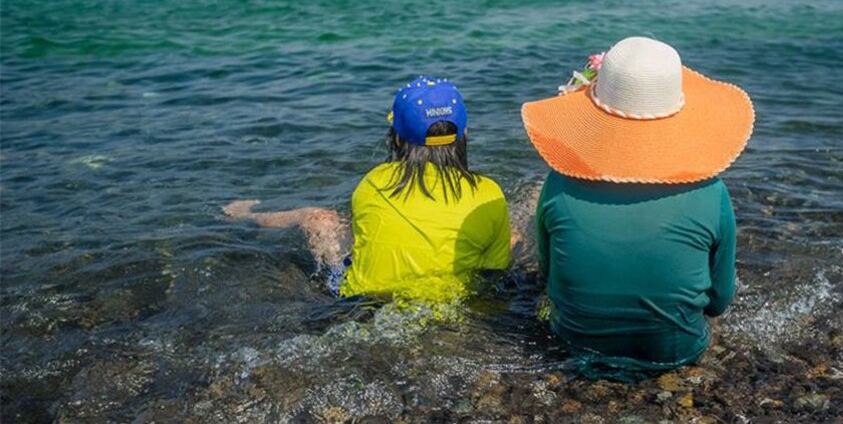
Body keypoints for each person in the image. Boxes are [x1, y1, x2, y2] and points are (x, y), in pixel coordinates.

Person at [521, 37, 754, 376]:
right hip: (677, 353)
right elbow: (718, 303)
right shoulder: (712, 192)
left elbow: (548, 278)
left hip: (573, 343)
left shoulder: (560, 183)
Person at [225, 76, 512, 302]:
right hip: (451, 305)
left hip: (363, 302)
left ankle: (244, 217)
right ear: (464, 134)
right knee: (509, 235)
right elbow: (493, 273)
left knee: (318, 218)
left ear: (397, 139)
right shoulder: (489, 193)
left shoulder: (374, 182)